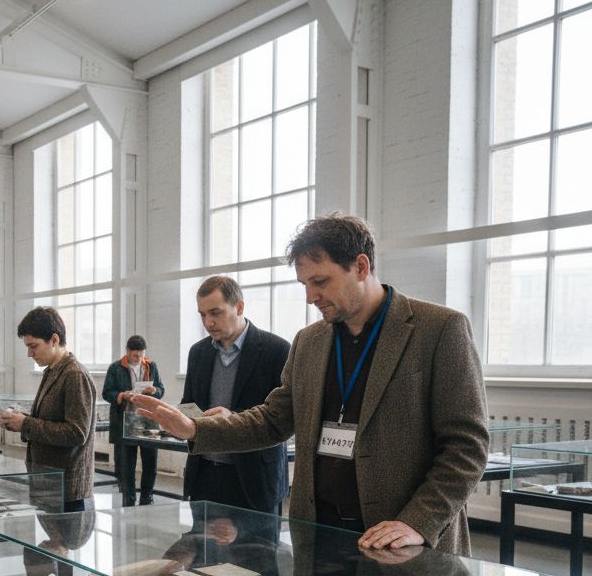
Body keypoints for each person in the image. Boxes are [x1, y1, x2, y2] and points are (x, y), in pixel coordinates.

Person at [135, 214, 490, 554]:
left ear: (361, 267)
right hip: (320, 535)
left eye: (320, 282)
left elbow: (467, 446)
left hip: (401, 541)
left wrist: (417, 522)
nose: (310, 296)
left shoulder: (438, 330)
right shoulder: (310, 341)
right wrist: (195, 428)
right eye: (304, 284)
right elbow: (273, 419)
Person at [180, 276, 290, 515]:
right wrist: (177, 419)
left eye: (215, 313)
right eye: (202, 315)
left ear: (239, 307)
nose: (208, 322)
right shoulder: (198, 352)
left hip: (255, 479)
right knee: (203, 540)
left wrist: (231, 418)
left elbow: (281, 416)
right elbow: (189, 403)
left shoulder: (277, 350)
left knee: (257, 541)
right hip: (205, 475)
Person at [0, 307, 96, 513]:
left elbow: (77, 433)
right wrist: (18, 422)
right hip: (48, 483)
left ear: (54, 340)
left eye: (33, 346)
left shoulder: (74, 374)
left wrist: (26, 424)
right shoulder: (52, 371)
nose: (29, 353)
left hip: (66, 489)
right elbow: (48, 420)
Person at [102, 335, 165, 506]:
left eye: (142, 355)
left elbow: (161, 388)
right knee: (126, 464)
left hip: (148, 419)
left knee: (150, 461)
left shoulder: (151, 366)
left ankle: (147, 497)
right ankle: (128, 499)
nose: (139, 359)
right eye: (136, 355)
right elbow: (106, 393)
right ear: (128, 351)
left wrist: (155, 391)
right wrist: (123, 395)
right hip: (125, 420)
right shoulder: (115, 368)